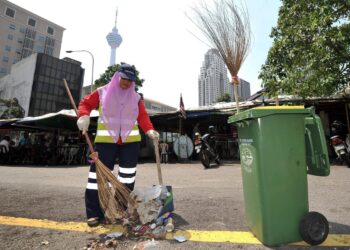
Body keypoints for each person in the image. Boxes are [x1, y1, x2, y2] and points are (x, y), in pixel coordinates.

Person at [77, 63, 159, 227]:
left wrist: (150, 130)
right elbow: (85, 104)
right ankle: (94, 213)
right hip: (105, 143)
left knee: (127, 178)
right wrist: (84, 116)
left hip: (130, 143)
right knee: (97, 178)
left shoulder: (135, 97)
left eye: (130, 80)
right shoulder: (101, 92)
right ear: (117, 76)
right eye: (124, 78)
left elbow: (142, 116)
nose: (127, 82)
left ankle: (119, 210)